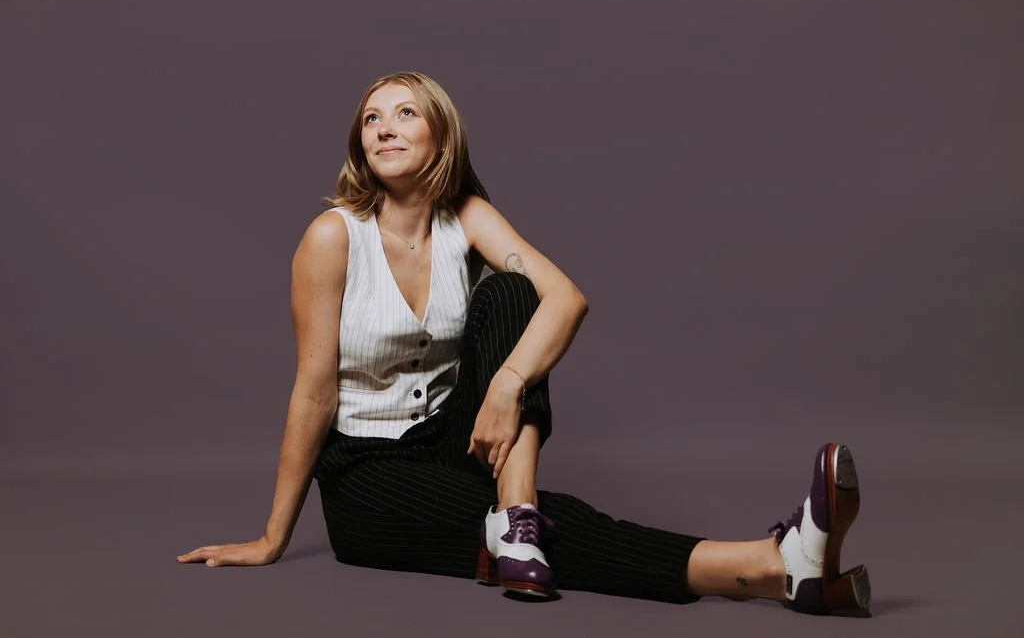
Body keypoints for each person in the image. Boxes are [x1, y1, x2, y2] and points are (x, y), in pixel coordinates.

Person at [177, 71, 870, 614]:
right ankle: (773, 565)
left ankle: (515, 516)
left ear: (441, 139)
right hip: (367, 478)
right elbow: (314, 389)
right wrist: (273, 536)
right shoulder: (333, 237)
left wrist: (506, 385)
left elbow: (566, 296)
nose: (384, 128)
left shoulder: (465, 218)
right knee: (557, 521)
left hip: (453, 441)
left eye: (405, 113)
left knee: (513, 293)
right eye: (371, 118)